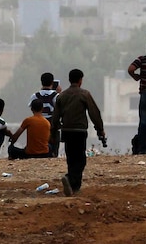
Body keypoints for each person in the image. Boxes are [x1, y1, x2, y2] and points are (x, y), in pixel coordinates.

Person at [51, 68, 105, 197]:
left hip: (66, 131)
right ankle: (71, 180)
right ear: (80, 80)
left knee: (71, 157)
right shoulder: (84, 94)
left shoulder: (61, 96)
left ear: (70, 80)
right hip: (80, 131)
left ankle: (72, 185)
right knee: (80, 159)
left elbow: (55, 118)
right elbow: (94, 113)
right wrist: (100, 130)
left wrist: (54, 132)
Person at [29, 72, 60, 155]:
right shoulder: (56, 96)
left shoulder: (35, 95)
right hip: (52, 123)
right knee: (53, 146)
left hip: (37, 123)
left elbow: (31, 107)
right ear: (52, 82)